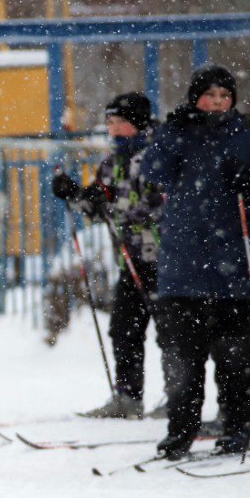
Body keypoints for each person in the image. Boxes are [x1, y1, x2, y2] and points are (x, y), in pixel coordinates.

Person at [142, 65, 250, 459]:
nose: (217, 102)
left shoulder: (245, 136)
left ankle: (238, 425)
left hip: (231, 266)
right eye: (210, 95)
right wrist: (170, 135)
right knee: (182, 358)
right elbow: (154, 173)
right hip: (183, 265)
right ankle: (180, 430)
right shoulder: (176, 133)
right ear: (194, 98)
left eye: (225, 95)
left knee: (235, 355)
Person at [52, 92, 164, 419]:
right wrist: (74, 194)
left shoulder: (157, 157)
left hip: (164, 258)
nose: (112, 129)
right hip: (130, 259)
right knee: (124, 327)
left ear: (138, 124)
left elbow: (155, 206)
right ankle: (127, 396)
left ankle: (180, 395)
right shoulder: (113, 163)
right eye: (110, 122)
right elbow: (98, 203)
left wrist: (110, 205)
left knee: (172, 330)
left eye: (119, 122)